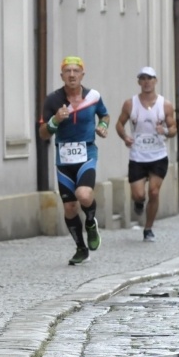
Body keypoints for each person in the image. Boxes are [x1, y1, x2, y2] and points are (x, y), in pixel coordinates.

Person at [39, 56, 109, 266]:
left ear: (82, 75)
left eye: (75, 71)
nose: (71, 75)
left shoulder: (93, 96)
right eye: (67, 71)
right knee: (70, 207)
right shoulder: (52, 100)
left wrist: (103, 126)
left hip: (87, 154)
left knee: (83, 194)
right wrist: (55, 121)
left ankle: (90, 222)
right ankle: (81, 248)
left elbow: (104, 115)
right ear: (61, 76)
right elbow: (43, 133)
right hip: (64, 159)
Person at [115, 66, 176, 242]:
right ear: (139, 82)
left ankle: (148, 229)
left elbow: (173, 129)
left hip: (158, 155)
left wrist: (164, 131)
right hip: (138, 156)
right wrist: (125, 137)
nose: (147, 82)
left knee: (154, 192)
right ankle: (139, 202)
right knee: (139, 194)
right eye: (143, 78)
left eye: (150, 78)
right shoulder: (130, 104)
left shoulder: (165, 105)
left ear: (155, 81)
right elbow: (119, 124)